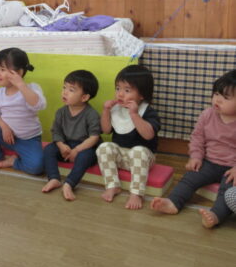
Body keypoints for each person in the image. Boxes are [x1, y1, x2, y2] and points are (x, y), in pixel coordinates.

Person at [151, 69, 236, 228]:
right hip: (209, 162)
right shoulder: (207, 114)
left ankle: (216, 215)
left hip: (231, 168)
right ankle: (173, 202)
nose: (217, 99)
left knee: (228, 191)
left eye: (225, 97)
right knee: (189, 178)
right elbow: (197, 137)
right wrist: (196, 156)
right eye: (216, 94)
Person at [96, 64, 160, 210]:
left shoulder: (148, 112)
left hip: (143, 159)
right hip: (121, 157)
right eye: (118, 88)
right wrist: (106, 111)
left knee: (138, 151)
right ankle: (112, 185)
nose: (120, 94)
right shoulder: (116, 109)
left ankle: (136, 193)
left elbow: (148, 135)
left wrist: (134, 115)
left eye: (127, 90)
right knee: (104, 147)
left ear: (142, 95)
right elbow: (106, 130)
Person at [0, 48, 46, 175]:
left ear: (19, 72)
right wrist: (4, 127)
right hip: (7, 136)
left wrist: (21, 85)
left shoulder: (31, 89)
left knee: (37, 167)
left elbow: (38, 105)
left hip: (29, 140)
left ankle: (13, 161)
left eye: (3, 70)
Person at [42, 70, 101, 201]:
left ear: (84, 97)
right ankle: (54, 178)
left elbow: (94, 137)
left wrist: (77, 150)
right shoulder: (61, 112)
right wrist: (61, 145)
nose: (65, 92)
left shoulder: (91, 114)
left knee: (85, 156)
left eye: (71, 90)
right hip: (66, 145)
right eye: (64, 87)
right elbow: (56, 131)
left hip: (85, 147)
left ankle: (69, 183)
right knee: (49, 149)